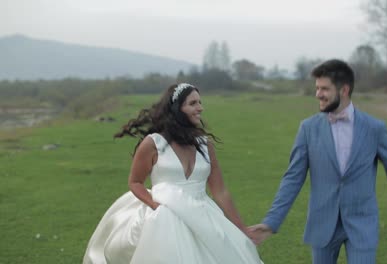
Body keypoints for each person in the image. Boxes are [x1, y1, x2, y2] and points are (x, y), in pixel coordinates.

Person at [249, 59, 387, 264]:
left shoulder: (374, 128)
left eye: (324, 89)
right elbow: (293, 178)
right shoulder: (308, 128)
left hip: (362, 225)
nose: (318, 94)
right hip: (322, 225)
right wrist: (271, 222)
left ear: (344, 90)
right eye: (317, 88)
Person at [83, 83, 263, 264]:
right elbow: (135, 182)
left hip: (203, 215)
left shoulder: (205, 145)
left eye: (200, 102)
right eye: (193, 103)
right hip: (165, 218)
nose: (200, 108)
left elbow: (220, 191)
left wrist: (241, 228)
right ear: (177, 108)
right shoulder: (154, 143)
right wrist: (156, 207)